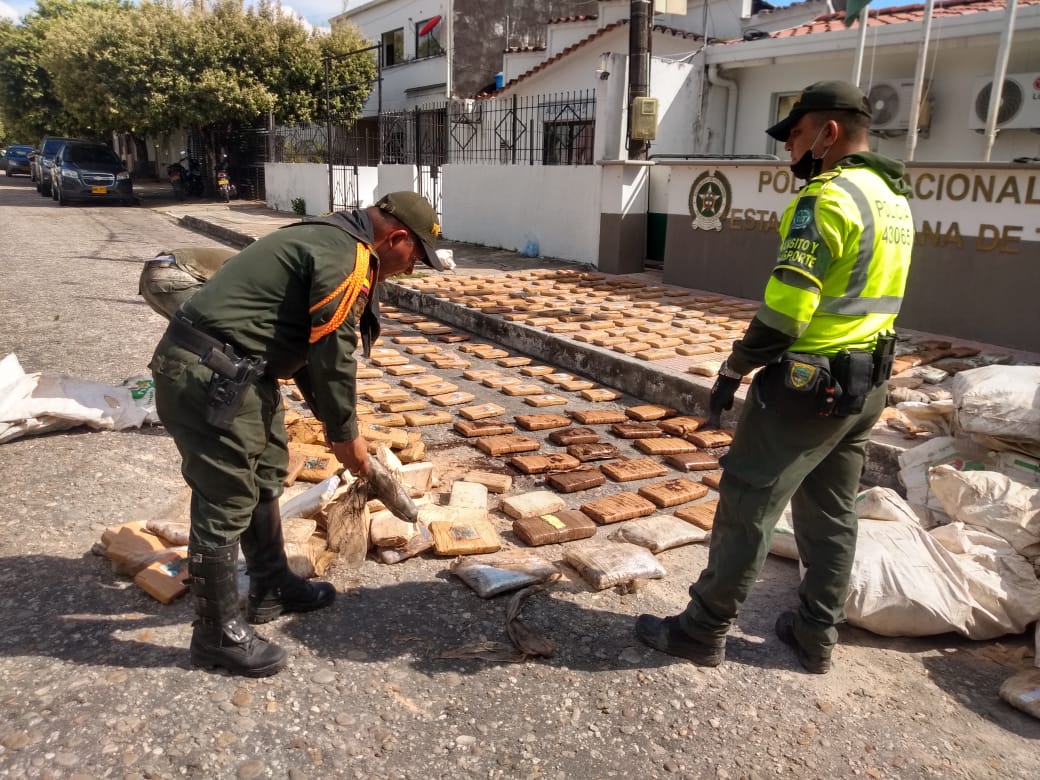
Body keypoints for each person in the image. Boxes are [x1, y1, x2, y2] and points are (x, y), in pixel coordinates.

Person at [635, 81, 915, 674]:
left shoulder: (825, 199)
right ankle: (817, 634)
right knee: (831, 512)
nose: (789, 147)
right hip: (866, 385)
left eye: (796, 134)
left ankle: (701, 629)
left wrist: (736, 366)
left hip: (808, 390)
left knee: (748, 502)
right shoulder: (893, 199)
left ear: (828, 133)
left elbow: (787, 313)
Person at [149, 191, 446, 677]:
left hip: (244, 374)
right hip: (209, 375)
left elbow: (309, 354)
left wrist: (338, 429)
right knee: (225, 498)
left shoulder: (335, 239)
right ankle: (216, 635)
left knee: (266, 472)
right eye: (417, 256)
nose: (413, 268)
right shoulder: (346, 257)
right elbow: (332, 355)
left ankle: (270, 585)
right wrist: (346, 436)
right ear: (396, 238)